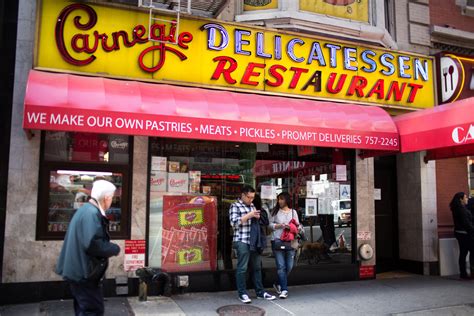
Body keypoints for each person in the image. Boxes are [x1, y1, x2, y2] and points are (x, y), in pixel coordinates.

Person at [56, 180, 121, 315]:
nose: (112, 201)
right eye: (112, 198)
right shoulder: (91, 213)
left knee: (84, 309)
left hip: (79, 271)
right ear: (106, 198)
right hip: (84, 274)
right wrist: (114, 248)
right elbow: (92, 244)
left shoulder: (86, 210)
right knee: (93, 310)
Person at [229, 185, 276, 304]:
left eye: (253, 197)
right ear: (243, 195)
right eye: (249, 197)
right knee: (242, 268)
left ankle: (260, 292)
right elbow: (234, 223)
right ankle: (242, 293)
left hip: (254, 241)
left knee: (256, 268)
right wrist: (250, 215)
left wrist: (258, 217)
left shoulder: (253, 206)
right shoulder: (235, 206)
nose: (251, 200)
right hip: (242, 240)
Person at [270, 192, 300, 299]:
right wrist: (281, 225)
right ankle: (284, 289)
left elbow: (298, 225)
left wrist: (295, 228)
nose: (280, 201)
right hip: (277, 240)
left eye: (282, 199)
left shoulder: (293, 212)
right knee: (281, 266)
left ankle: (278, 283)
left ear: (287, 200)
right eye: (278, 199)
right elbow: (270, 225)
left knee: (289, 266)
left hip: (290, 242)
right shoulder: (275, 211)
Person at [449, 192, 474, 280]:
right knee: (470, 251)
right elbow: (466, 223)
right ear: (461, 199)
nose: (467, 199)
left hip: (461, 233)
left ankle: (463, 273)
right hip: (465, 234)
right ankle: (469, 272)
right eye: (465, 197)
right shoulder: (461, 209)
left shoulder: (459, 208)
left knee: (463, 253)